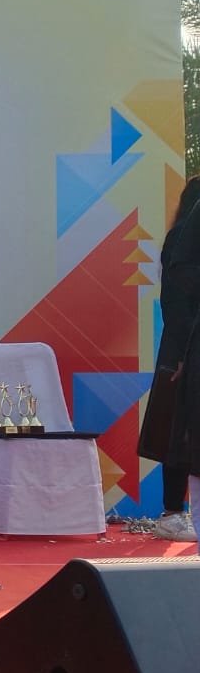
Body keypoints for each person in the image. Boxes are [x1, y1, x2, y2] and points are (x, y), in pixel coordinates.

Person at [147, 175, 200, 540]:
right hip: (183, 349)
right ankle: (172, 512)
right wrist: (183, 354)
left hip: (187, 347)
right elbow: (176, 303)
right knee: (176, 432)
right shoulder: (180, 244)